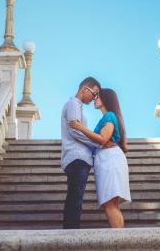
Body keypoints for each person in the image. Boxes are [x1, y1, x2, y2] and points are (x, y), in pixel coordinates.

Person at [69, 88, 131, 228]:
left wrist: (80, 127)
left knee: (110, 204)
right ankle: (120, 242)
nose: (94, 98)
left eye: (98, 96)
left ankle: (118, 243)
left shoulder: (109, 116)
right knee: (112, 204)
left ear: (106, 99)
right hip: (109, 158)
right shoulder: (108, 117)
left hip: (110, 159)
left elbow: (103, 139)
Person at [61, 77, 115, 229]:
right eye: (94, 93)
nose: (94, 98)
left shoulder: (77, 106)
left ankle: (71, 230)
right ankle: (71, 232)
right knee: (75, 197)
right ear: (85, 89)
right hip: (76, 157)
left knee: (76, 196)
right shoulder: (73, 104)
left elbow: (79, 130)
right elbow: (74, 131)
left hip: (80, 158)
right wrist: (97, 144)